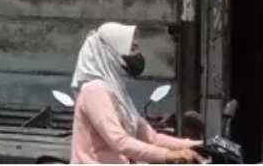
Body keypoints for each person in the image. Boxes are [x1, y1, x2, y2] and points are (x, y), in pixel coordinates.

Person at [69, 22, 202, 164]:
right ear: (111, 53)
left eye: (137, 48)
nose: (137, 55)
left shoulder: (116, 91)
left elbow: (152, 138)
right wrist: (168, 155)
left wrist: (197, 145)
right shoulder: (95, 91)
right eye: (132, 49)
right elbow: (119, 141)